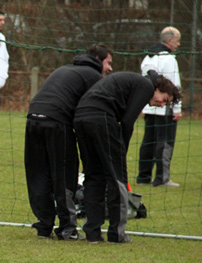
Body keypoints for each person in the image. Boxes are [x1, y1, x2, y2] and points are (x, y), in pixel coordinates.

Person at [73, 71, 181, 243]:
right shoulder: (146, 86)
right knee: (117, 177)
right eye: (165, 100)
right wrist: (121, 150)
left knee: (93, 176)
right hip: (101, 118)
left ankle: (92, 233)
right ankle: (117, 234)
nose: (161, 105)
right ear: (159, 88)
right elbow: (128, 120)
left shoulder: (131, 82)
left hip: (80, 117)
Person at [24, 43, 113, 240]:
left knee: (39, 173)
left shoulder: (65, 69)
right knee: (64, 174)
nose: (110, 68)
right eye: (108, 63)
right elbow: (92, 111)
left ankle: (44, 226)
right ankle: (67, 229)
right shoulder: (93, 76)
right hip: (57, 122)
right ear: (98, 60)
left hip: (33, 118)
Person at [137, 27, 182, 187]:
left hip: (149, 106)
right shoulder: (169, 59)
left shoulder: (148, 57)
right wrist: (177, 108)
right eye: (177, 40)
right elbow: (174, 85)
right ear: (169, 40)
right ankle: (162, 178)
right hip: (164, 109)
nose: (178, 44)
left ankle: (143, 177)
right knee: (164, 142)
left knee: (148, 142)